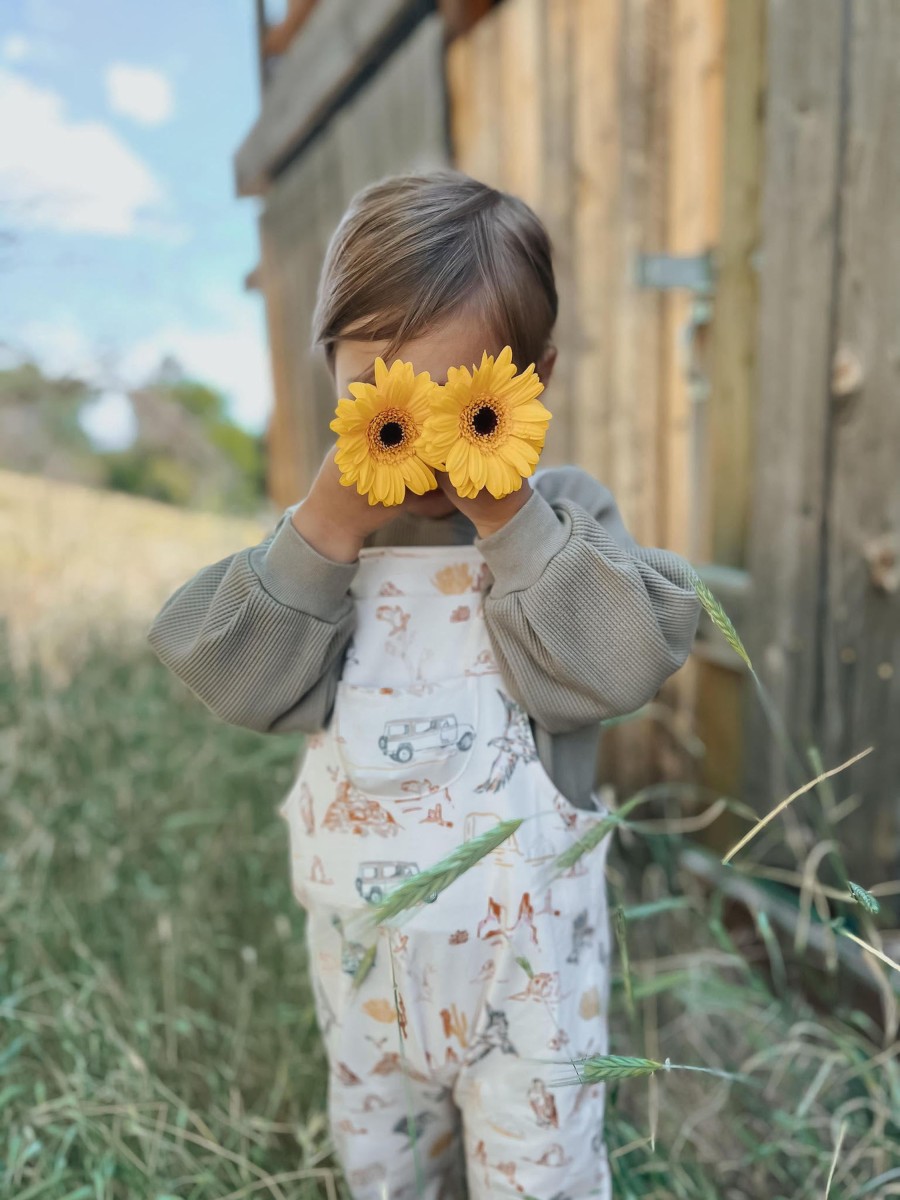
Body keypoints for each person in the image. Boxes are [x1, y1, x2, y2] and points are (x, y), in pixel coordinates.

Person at [148, 170, 701, 1199]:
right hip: (368, 986)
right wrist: (324, 530)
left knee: (543, 1178)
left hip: (529, 981)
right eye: (387, 399)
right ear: (333, 373)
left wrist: (513, 523)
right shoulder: (324, 550)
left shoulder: (566, 518)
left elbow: (622, 663)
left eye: (463, 400)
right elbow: (226, 673)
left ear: (532, 380)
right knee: (386, 1174)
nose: (429, 436)